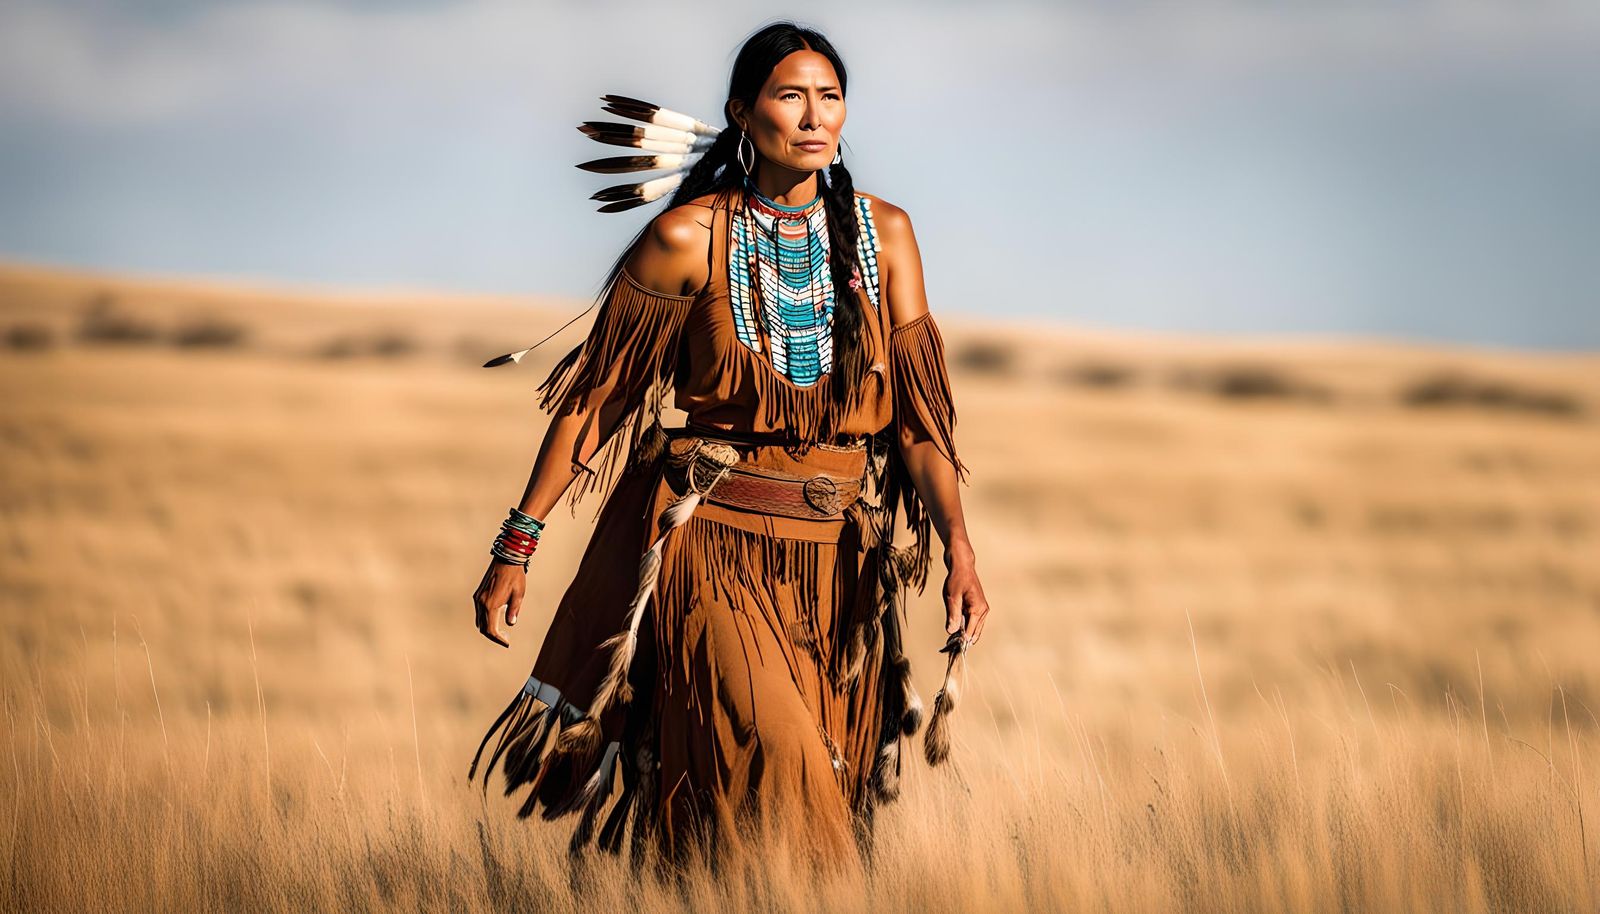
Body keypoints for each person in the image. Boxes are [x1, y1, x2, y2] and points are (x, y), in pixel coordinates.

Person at [467, 21, 990, 872]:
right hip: (713, 553)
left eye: (829, 96)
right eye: (790, 96)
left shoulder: (886, 235)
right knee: (783, 766)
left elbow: (921, 420)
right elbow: (595, 404)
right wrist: (515, 545)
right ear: (743, 114)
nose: (814, 116)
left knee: (807, 800)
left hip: (839, 569)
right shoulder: (689, 239)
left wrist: (961, 549)